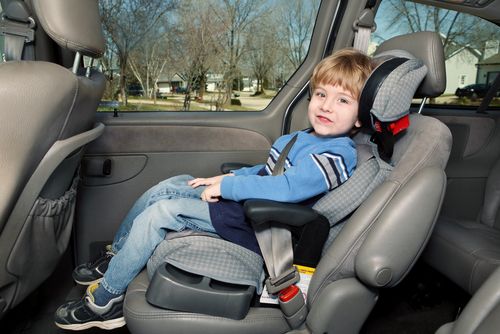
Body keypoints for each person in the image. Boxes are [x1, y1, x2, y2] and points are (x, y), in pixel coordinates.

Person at [54, 48, 374, 330]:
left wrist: (232, 187)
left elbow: (288, 188)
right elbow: (266, 171)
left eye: (343, 100)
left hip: (267, 228)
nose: (327, 106)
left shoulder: (339, 152)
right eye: (321, 94)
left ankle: (106, 301)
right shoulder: (302, 137)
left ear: (360, 117)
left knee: (163, 212)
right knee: (173, 183)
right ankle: (117, 256)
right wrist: (220, 181)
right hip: (250, 210)